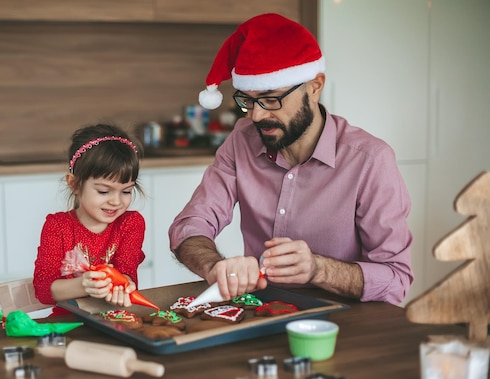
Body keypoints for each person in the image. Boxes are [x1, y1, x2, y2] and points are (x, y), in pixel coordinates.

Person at [168, 13, 413, 305]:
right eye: (248, 100)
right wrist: (214, 266)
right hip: (261, 310)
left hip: (344, 325)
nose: (257, 115)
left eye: (271, 99)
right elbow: (191, 224)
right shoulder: (241, 140)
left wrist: (318, 269)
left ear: (315, 86)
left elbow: (396, 279)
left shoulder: (371, 161)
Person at [33, 123, 146, 315]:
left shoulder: (131, 223)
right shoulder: (58, 226)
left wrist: (125, 284)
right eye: (103, 191)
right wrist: (83, 285)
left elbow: (127, 271)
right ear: (74, 184)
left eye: (126, 191)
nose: (116, 201)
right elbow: (43, 290)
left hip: (114, 318)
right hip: (69, 323)